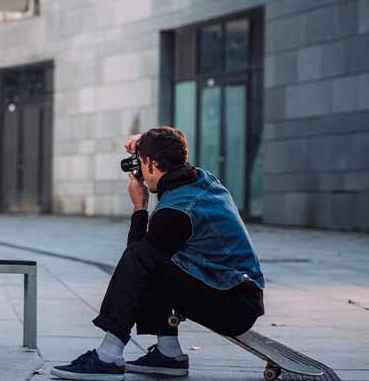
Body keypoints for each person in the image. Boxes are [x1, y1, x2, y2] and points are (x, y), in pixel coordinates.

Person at [52, 127, 265, 380]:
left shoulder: (176, 211)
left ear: (152, 163)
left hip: (233, 307)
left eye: (141, 163)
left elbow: (136, 258)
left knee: (142, 259)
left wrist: (140, 208)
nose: (140, 171)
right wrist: (144, 142)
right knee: (155, 260)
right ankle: (168, 353)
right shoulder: (200, 178)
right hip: (239, 294)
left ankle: (108, 356)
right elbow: (171, 143)